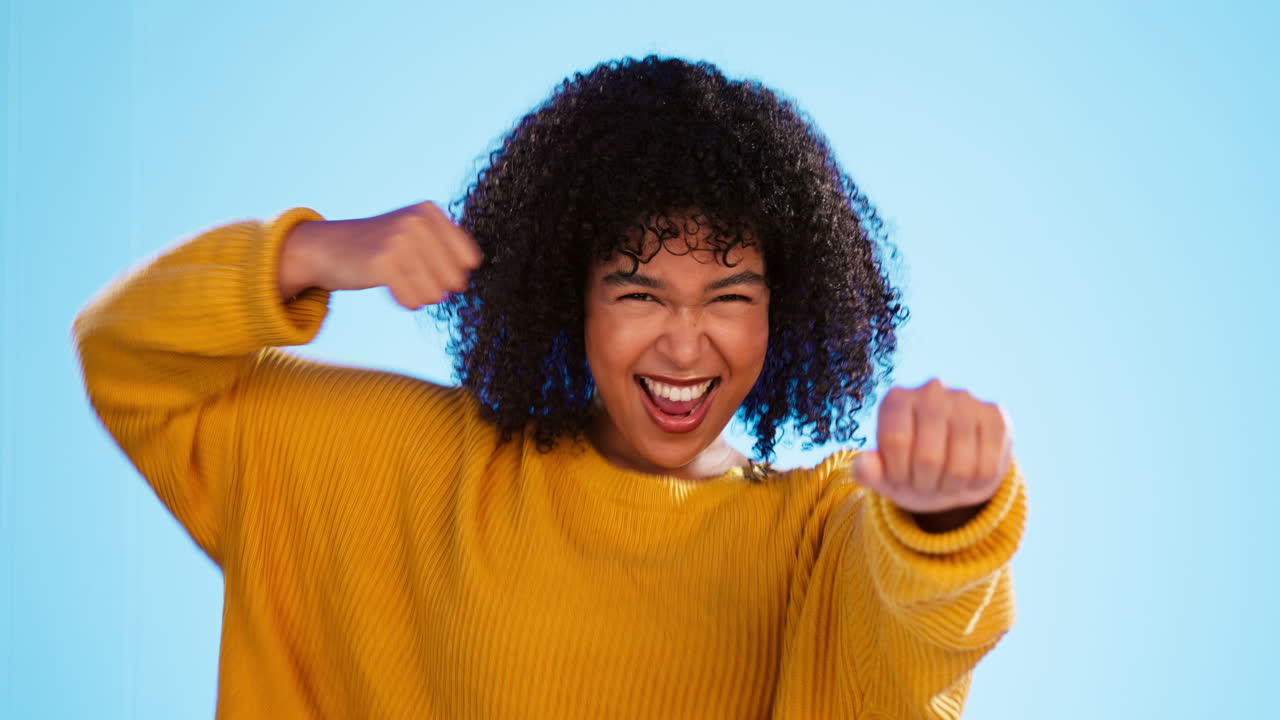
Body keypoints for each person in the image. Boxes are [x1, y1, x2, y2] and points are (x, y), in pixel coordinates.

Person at [73, 55, 1026, 718]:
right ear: (569, 295)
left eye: (729, 296)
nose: (685, 343)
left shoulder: (819, 539)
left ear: (789, 310)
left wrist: (947, 518)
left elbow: (915, 647)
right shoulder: (412, 466)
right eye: (639, 290)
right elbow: (129, 358)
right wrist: (313, 251)